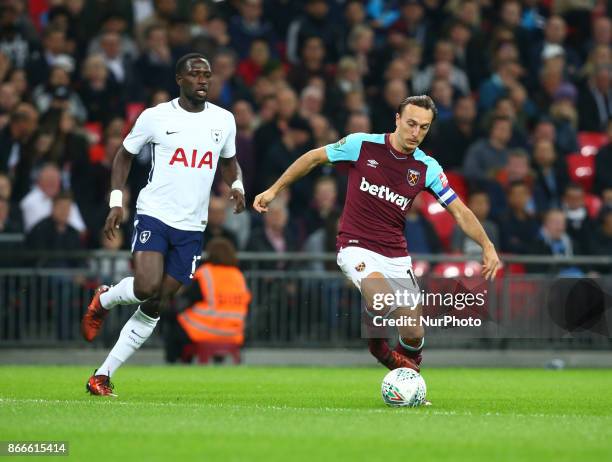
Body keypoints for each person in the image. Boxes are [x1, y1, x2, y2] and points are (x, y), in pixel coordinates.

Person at [253, 95, 500, 380]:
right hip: (356, 246)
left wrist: (487, 245)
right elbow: (313, 158)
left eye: (423, 127)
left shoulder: (426, 167)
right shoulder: (362, 145)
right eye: (410, 124)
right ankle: (379, 348)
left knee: (413, 331)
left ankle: (409, 382)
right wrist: (273, 190)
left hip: (395, 254)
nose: (415, 133)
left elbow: (459, 211)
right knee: (381, 298)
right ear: (397, 119)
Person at [80, 53, 246, 397]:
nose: (203, 79)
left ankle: (103, 375)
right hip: (154, 213)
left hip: (193, 226)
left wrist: (238, 185)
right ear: (179, 80)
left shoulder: (224, 120)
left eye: (207, 74)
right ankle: (106, 298)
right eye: (195, 74)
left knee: (157, 303)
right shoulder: (155, 117)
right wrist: (116, 201)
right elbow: (124, 155)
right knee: (145, 286)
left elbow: (229, 163)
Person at [164, 237, 251, 363]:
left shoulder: (206, 273)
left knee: (174, 322)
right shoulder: (238, 276)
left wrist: (167, 310)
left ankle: (174, 362)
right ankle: (218, 361)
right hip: (234, 332)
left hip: (203, 330)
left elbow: (186, 301)